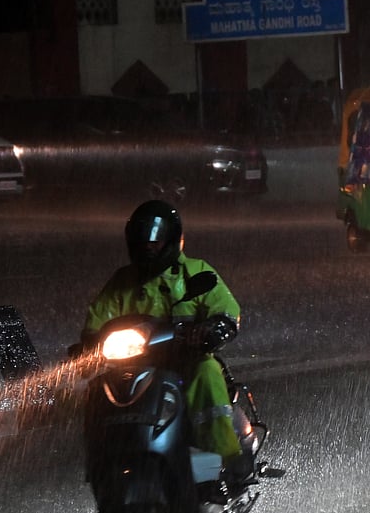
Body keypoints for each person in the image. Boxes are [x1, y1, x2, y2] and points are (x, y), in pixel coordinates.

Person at [79, 199, 254, 486]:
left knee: (207, 372)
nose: (148, 248)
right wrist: (87, 346)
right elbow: (97, 321)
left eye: (155, 242)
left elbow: (225, 308)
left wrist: (215, 327)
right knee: (98, 390)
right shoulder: (122, 282)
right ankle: (103, 462)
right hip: (136, 367)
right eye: (143, 242)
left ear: (172, 241)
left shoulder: (195, 272)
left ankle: (228, 457)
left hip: (185, 361)